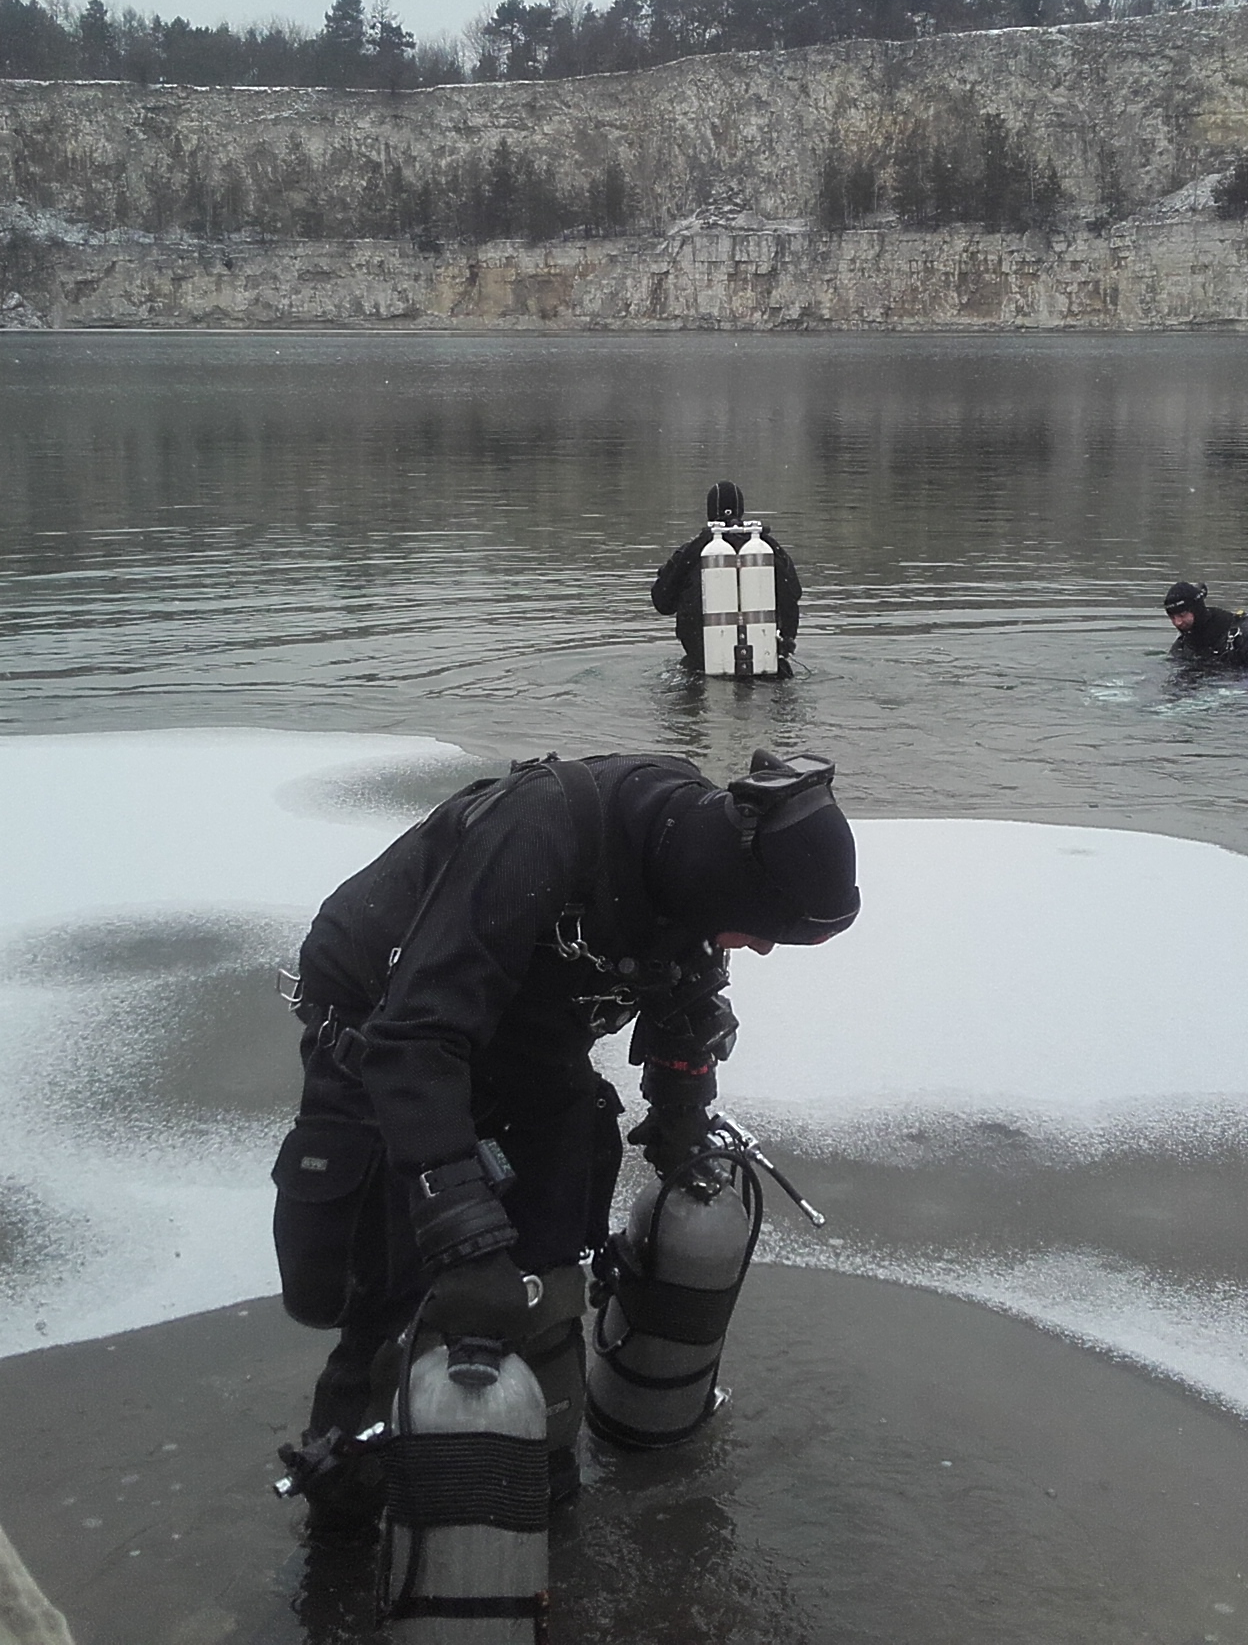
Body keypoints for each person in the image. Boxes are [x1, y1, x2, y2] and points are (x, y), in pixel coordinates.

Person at [269, 748, 861, 1543]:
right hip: (385, 1032)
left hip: (530, 1033)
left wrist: (681, 1109)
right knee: (404, 1299)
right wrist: (462, 1233)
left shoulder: (690, 860)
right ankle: (346, 1511)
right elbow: (415, 1042)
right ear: (729, 883)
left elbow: (687, 986)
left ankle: (538, 1490)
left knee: (547, 1277)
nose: (758, 948)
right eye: (762, 930)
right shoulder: (540, 836)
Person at [652, 481, 803, 670]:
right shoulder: (767, 549)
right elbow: (793, 593)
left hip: (704, 662)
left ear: (709, 512)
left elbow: (663, 603)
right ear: (741, 510)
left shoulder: (691, 552)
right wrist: (787, 639)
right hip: (764, 658)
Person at [1162, 580, 1248, 670]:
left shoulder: (1246, 634)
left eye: (1182, 615)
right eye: (1172, 617)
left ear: (1196, 610)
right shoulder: (1184, 643)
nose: (1177, 622)